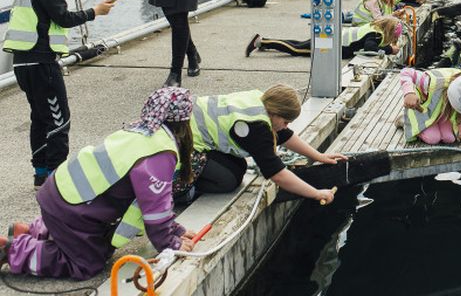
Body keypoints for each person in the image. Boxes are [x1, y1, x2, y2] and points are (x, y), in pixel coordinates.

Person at [1, 88, 196, 279]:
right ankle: (12, 251)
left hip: (62, 195)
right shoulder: (160, 153)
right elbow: (155, 214)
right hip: (71, 208)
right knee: (87, 263)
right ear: (184, 124)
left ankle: (33, 231)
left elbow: (155, 207)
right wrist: (172, 244)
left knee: (97, 245)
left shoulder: (139, 131)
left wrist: (176, 231)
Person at [2, 0, 114, 188]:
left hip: (23, 64)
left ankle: (41, 173)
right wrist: (94, 12)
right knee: (59, 119)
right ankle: (57, 177)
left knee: (40, 119)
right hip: (42, 64)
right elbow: (63, 17)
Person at [175, 84, 344, 204]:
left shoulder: (261, 101)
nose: (287, 126)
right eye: (286, 121)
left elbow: (284, 135)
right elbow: (277, 174)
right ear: (275, 115)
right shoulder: (257, 127)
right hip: (182, 144)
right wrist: (315, 193)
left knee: (238, 167)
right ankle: (185, 191)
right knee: (228, 180)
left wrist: (319, 156)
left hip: (184, 126)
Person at [245, 16, 402, 59]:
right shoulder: (375, 35)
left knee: (299, 44)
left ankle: (265, 41)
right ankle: (261, 42)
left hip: (333, 38)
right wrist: (389, 49)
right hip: (331, 45)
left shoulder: (373, 27)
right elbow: (370, 48)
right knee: (296, 50)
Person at [399, 68, 461, 145]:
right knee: (433, 138)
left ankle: (436, 124)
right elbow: (406, 72)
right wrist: (409, 93)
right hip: (423, 113)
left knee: (449, 138)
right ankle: (405, 121)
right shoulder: (430, 82)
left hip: (441, 114)